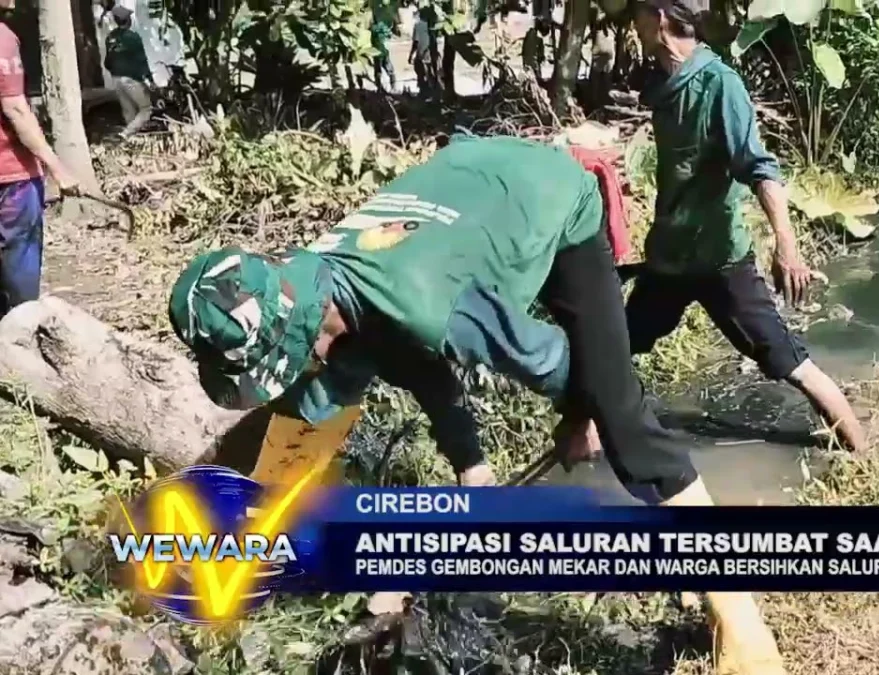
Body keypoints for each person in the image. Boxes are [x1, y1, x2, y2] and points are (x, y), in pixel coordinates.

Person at [166, 134, 787, 674]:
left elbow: (556, 363)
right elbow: (404, 363)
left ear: (298, 330)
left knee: (623, 418)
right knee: (353, 370)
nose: (297, 372)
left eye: (282, 362)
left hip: (547, 196)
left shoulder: (438, 307)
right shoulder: (323, 284)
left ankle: (745, 629)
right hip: (468, 188)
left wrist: (584, 414)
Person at [578, 0, 868, 457]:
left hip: (719, 260)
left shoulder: (720, 84)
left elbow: (761, 170)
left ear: (658, 20)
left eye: (638, 17)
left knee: (785, 359)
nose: (631, 26)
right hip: (669, 259)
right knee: (618, 347)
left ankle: (861, 447)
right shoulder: (666, 81)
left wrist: (786, 246)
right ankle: (585, 440)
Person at [0, 0, 78, 317]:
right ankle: (21, 348)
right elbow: (16, 109)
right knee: (20, 275)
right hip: (11, 180)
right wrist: (58, 168)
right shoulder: (3, 39)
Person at [104, 6, 154, 140]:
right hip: (130, 79)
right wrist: (149, 79)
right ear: (128, 20)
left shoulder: (110, 38)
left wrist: (115, 72)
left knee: (128, 110)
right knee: (146, 109)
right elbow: (142, 60)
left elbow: (107, 61)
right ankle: (125, 134)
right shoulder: (133, 37)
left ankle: (131, 139)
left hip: (116, 78)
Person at [370, 0, 400, 93]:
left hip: (376, 52)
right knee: (390, 70)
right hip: (384, 51)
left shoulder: (373, 29)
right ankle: (394, 86)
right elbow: (390, 34)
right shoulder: (382, 26)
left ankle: (379, 88)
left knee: (378, 71)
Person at [409, 9, 436, 96]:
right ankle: (432, 91)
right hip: (431, 53)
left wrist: (411, 55)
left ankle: (423, 91)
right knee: (430, 73)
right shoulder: (432, 25)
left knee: (420, 73)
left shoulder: (417, 26)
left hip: (421, 54)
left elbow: (415, 42)